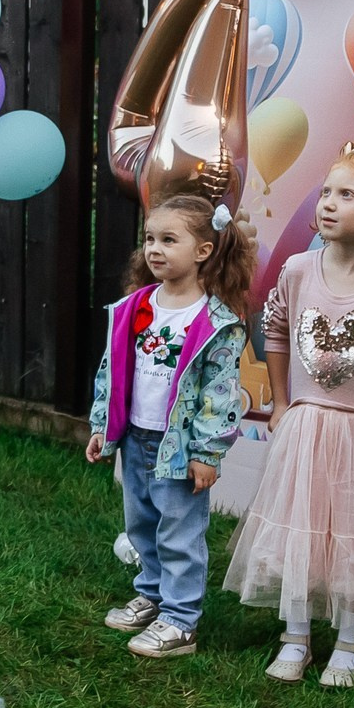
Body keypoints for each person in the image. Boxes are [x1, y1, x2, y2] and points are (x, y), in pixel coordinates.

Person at [223, 140, 354, 687]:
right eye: (326, 193)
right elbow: (272, 327)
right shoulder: (297, 270)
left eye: (348, 194)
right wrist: (283, 401)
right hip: (308, 425)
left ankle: (351, 641)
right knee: (300, 527)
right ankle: (295, 635)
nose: (329, 204)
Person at [88, 194, 254, 661]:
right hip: (136, 437)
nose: (154, 249)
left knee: (179, 531)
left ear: (203, 251)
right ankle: (154, 594)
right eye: (149, 239)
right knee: (141, 523)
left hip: (179, 446)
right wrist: (103, 425)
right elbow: (110, 371)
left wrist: (207, 452)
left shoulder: (215, 323)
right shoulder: (132, 308)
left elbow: (219, 395)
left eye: (168, 239)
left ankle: (181, 620)